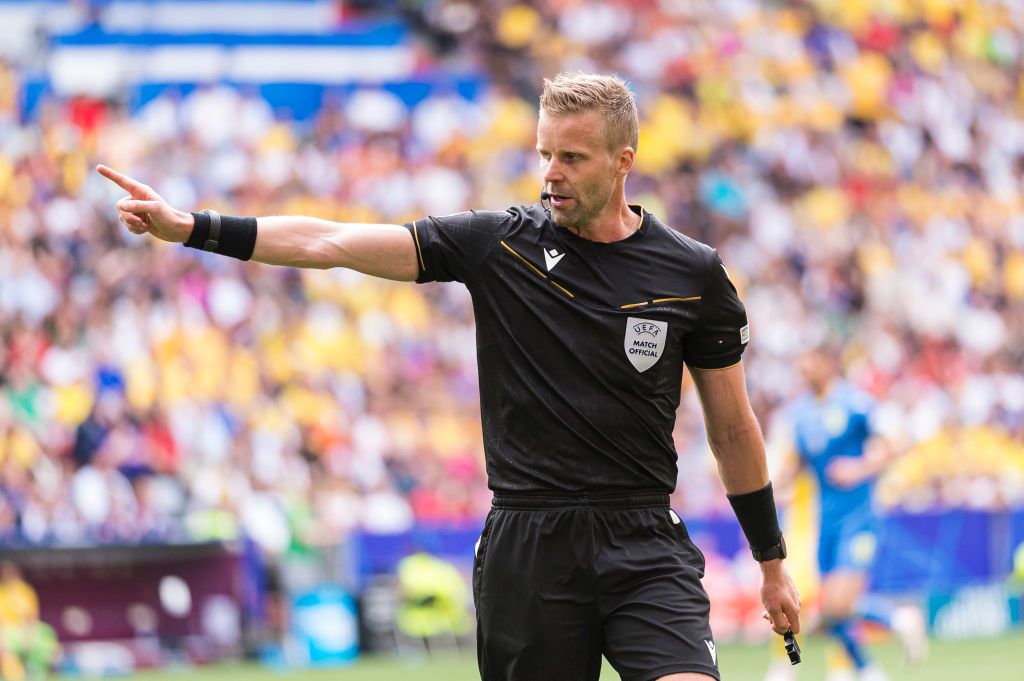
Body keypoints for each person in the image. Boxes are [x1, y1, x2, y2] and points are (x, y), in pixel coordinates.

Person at [98, 71, 800, 681]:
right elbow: (333, 240)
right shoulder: (499, 244)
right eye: (544, 153)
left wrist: (770, 560)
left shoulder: (691, 272)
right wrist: (193, 226)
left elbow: (733, 427)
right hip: (529, 545)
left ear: (624, 160)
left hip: (642, 535)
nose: (550, 171)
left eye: (572, 157)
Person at [764, 348, 926, 681]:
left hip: (859, 518)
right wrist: (760, 492)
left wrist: (861, 467)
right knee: (830, 611)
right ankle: (868, 670)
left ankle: (899, 618)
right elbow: (797, 466)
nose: (803, 371)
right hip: (827, 524)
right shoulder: (801, 414)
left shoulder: (856, 404)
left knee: (838, 605)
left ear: (827, 363)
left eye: (808, 363)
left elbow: (894, 444)